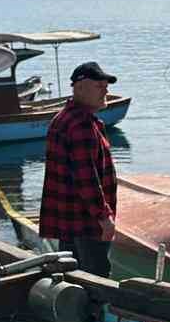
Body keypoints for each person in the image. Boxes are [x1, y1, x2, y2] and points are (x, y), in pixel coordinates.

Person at [40, 61, 118, 277]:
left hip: (68, 221)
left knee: (72, 276)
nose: (106, 90)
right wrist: (105, 218)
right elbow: (88, 180)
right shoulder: (81, 125)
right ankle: (94, 312)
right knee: (96, 282)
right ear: (79, 87)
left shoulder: (62, 118)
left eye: (106, 85)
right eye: (99, 85)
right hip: (87, 224)